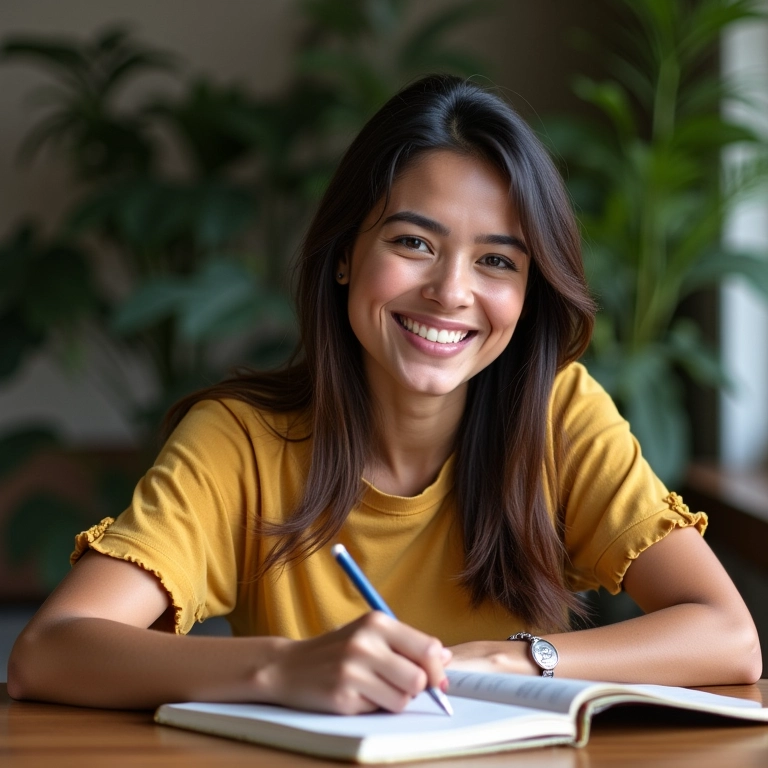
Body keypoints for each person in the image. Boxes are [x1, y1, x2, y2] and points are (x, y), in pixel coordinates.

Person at [8, 74, 761, 713]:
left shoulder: (558, 414)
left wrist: (515, 662)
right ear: (344, 255)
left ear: (531, 290)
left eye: (498, 260)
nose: (450, 292)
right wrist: (282, 670)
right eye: (413, 243)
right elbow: (49, 652)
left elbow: (729, 638)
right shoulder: (240, 440)